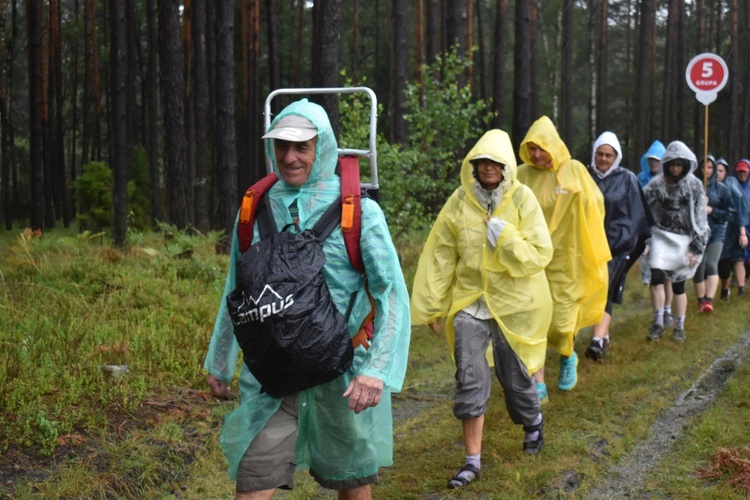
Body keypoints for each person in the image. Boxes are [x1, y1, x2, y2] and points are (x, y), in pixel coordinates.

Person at [204, 99, 411, 499]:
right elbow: (236, 290)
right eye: (281, 145)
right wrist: (220, 361)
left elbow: (392, 294)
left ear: (324, 149)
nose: (289, 156)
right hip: (271, 376)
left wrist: (377, 371)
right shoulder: (255, 208)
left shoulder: (359, 213)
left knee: (351, 480)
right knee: (254, 481)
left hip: (343, 373)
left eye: (302, 146)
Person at [410, 129, 553, 488]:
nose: (488, 168)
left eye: (495, 162)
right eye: (482, 162)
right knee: (469, 377)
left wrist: (506, 238)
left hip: (514, 305)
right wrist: (433, 303)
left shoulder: (522, 200)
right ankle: (472, 462)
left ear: (506, 166)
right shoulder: (459, 202)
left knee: (515, 378)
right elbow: (442, 254)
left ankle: (532, 424)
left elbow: (540, 254)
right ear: (472, 166)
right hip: (470, 304)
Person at [516, 116, 610, 399]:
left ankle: (567, 355)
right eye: (531, 148)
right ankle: (538, 382)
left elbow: (595, 207)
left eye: (540, 148)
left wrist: (575, 197)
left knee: (560, 324)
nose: (535, 155)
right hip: (533, 260)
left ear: (553, 146)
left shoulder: (574, 171)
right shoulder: (522, 174)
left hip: (566, 260)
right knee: (535, 321)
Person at [586, 132, 652, 361]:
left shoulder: (627, 179)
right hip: (588, 245)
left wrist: (631, 244)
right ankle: (602, 335)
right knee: (593, 291)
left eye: (608, 155)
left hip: (617, 246)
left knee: (606, 290)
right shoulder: (585, 176)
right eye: (600, 154)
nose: (604, 159)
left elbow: (638, 214)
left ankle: (597, 340)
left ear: (617, 156)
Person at [643, 140, 709, 343]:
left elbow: (700, 217)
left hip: (684, 239)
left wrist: (696, 247)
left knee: (679, 284)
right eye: (671, 164)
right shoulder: (657, 184)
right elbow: (645, 210)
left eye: (679, 165)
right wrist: (646, 241)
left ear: (686, 165)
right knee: (656, 276)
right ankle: (659, 321)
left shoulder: (694, 185)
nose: (675, 169)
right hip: (661, 236)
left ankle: (679, 326)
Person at [691, 155, 734, 313]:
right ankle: (700, 300)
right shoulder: (693, 186)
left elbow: (729, 213)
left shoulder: (722, 189)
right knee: (698, 266)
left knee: (711, 264)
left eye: (710, 167)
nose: (706, 171)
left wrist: (712, 211)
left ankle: (709, 300)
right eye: (704, 167)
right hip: (697, 232)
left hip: (716, 231)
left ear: (714, 169)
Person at [716, 159, 749, 300]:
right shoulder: (710, 187)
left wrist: (742, 231)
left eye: (721, 170)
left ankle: (741, 288)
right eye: (715, 170)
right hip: (718, 230)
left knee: (739, 259)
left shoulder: (732, 186)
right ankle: (725, 289)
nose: (717, 174)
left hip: (735, 229)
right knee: (722, 262)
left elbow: (740, 209)